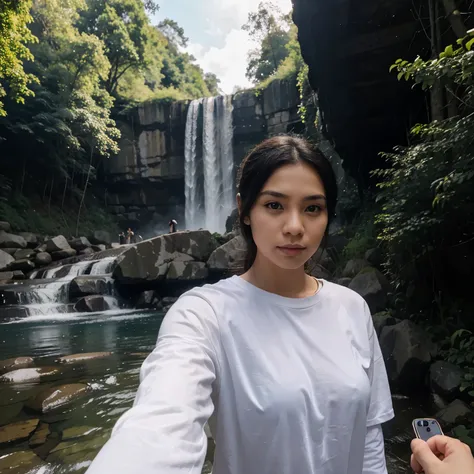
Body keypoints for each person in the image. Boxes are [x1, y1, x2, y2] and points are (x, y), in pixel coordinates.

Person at [86, 135, 394, 474]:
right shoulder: (204, 314)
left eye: (313, 208)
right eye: (274, 205)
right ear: (244, 210)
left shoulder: (352, 307)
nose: (295, 227)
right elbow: (160, 423)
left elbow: (368, 436)